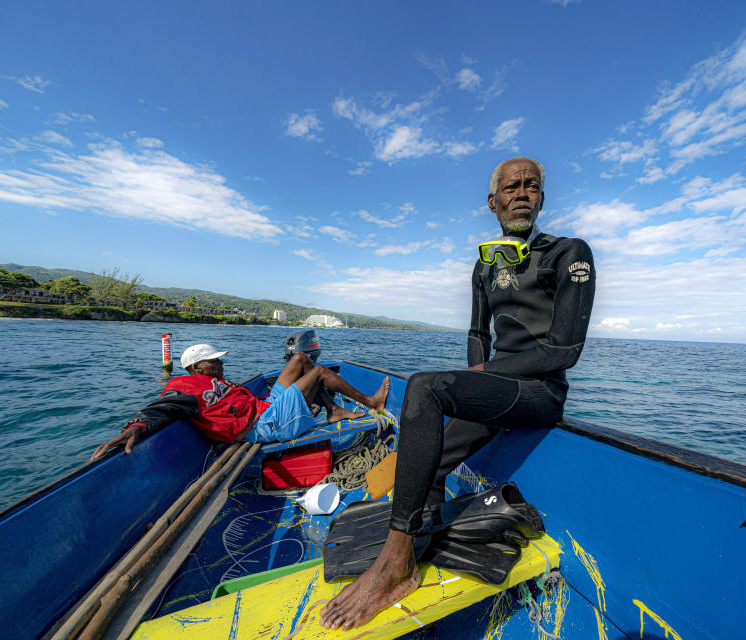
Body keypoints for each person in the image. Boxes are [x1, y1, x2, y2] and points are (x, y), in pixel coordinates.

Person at [320, 157, 595, 630]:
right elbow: (477, 333)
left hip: (540, 395)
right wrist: (476, 384)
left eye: (532, 186)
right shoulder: (484, 264)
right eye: (511, 188)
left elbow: (564, 351)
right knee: (427, 453)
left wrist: (481, 375)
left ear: (543, 199)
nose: (522, 194)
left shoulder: (569, 252)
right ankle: (420, 527)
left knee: (426, 388)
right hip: (499, 391)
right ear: (493, 202)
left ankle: (396, 563)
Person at [90, 343, 390, 460]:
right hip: (265, 425)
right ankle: (370, 402)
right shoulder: (183, 386)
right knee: (321, 372)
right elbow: (162, 408)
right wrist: (136, 427)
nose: (220, 366)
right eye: (213, 362)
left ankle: (334, 410)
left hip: (265, 408)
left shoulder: (215, 381)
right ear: (196, 368)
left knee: (301, 359)